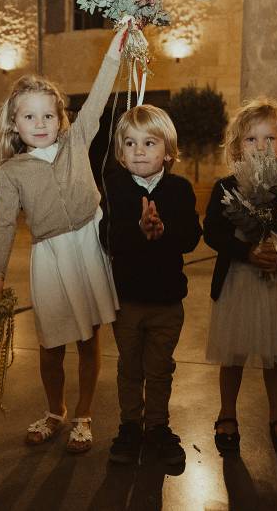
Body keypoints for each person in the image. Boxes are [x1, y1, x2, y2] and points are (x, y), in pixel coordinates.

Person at [0, 25, 129, 454]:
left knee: (88, 338)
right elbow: (4, 224)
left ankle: (83, 414)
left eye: (48, 115)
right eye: (29, 117)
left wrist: (116, 47)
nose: (40, 124)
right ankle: (55, 411)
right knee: (51, 344)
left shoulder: (77, 140)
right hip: (50, 257)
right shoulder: (10, 172)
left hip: (89, 248)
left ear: (61, 117)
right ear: (14, 123)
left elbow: (100, 93)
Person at [203, 98, 277, 456]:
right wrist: (247, 252)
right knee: (233, 353)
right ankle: (227, 413)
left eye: (269, 138)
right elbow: (212, 232)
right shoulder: (226, 187)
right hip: (239, 282)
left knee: (275, 354)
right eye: (251, 139)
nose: (260, 147)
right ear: (237, 146)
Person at [98, 105, 202, 465]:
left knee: (159, 368)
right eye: (130, 143)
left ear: (168, 152)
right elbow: (106, 237)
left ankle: (157, 426)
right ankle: (130, 426)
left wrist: (163, 229)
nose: (139, 151)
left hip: (167, 300)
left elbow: (191, 237)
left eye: (149, 143)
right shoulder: (114, 188)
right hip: (127, 299)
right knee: (129, 366)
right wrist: (138, 229)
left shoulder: (179, 189)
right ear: (120, 152)